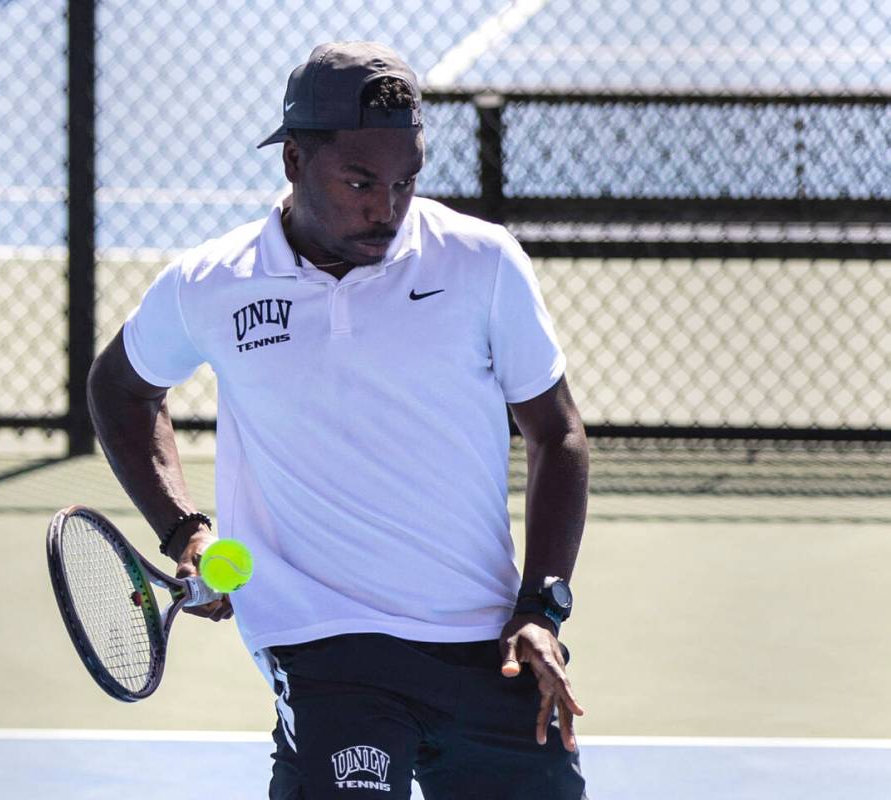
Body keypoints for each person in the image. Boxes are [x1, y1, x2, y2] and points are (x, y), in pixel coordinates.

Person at [88, 41, 590, 799]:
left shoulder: (480, 262)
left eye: (404, 182)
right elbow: (120, 389)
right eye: (359, 181)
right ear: (293, 161)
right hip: (320, 641)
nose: (385, 207)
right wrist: (185, 527)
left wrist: (542, 607)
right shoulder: (211, 283)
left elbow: (557, 435)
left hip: (488, 640)